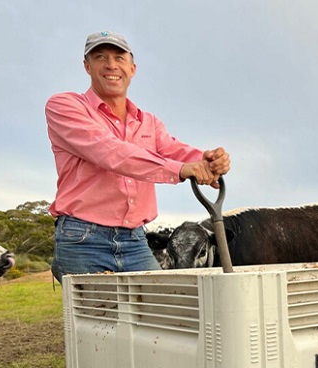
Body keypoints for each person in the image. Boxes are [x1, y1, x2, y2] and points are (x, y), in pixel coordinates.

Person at [46, 30, 231, 281]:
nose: (111, 65)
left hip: (135, 238)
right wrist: (180, 169)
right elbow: (109, 152)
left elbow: (174, 149)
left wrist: (207, 160)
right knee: (96, 319)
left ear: (132, 69)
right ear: (87, 66)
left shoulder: (149, 122)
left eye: (119, 58)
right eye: (100, 57)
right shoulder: (65, 106)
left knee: (161, 311)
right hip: (83, 238)